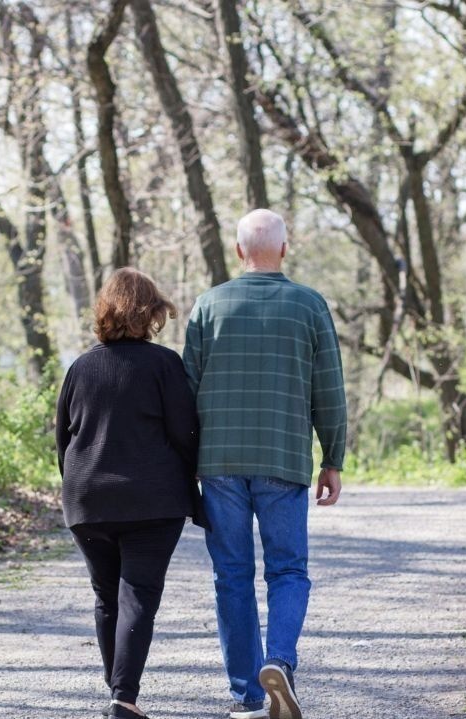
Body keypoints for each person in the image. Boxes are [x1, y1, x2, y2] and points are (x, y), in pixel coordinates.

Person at [182, 209, 347, 719]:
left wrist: (185, 460)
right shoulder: (309, 305)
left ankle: (247, 696)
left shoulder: (209, 305)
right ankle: (278, 662)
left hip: (220, 462)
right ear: (284, 248)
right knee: (288, 570)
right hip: (283, 456)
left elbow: (186, 390)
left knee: (231, 575)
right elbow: (330, 390)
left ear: (238, 251)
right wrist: (332, 457)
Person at [56, 267, 199, 719]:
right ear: (152, 312)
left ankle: (119, 691)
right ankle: (123, 697)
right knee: (137, 593)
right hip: (151, 502)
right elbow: (185, 432)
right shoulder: (165, 365)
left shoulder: (80, 367)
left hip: (87, 499)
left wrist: (80, 485)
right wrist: (194, 482)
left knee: (106, 596)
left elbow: (63, 439)